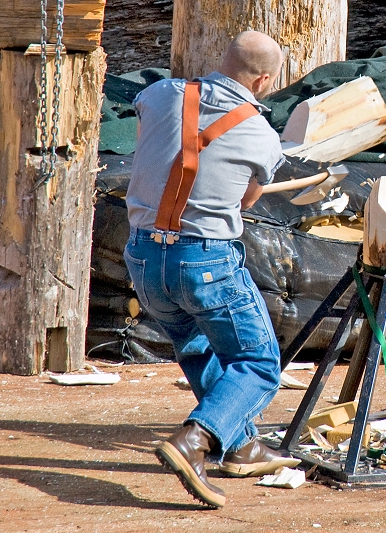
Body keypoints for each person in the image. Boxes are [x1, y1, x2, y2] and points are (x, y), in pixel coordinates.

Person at [124, 30, 299, 508]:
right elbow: (245, 200)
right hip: (204, 259)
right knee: (258, 364)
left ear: (223, 61)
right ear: (263, 80)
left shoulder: (161, 94)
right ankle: (195, 440)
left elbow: (151, 137)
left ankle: (239, 445)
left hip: (144, 257)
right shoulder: (262, 135)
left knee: (199, 347)